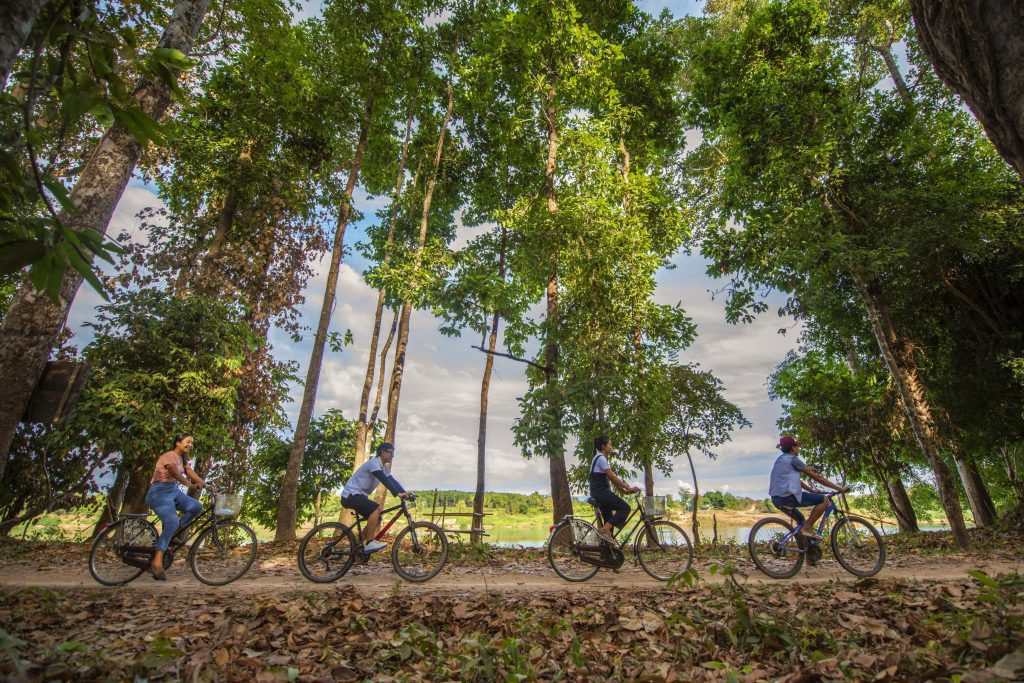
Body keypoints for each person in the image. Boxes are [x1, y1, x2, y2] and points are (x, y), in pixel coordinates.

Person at [145, 433, 205, 580]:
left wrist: (205, 484)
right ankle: (157, 562)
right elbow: (175, 473)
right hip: (159, 493)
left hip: (173, 491)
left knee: (196, 507)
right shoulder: (169, 456)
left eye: (191, 443)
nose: (190, 445)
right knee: (172, 521)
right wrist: (189, 485)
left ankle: (172, 534)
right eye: (187, 442)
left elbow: (190, 472)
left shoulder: (183, 459)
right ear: (178, 442)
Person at [768, 435, 849, 540]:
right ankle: (807, 528)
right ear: (793, 448)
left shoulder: (780, 460)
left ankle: (806, 551)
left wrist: (811, 490)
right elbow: (817, 477)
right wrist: (839, 489)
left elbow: (795, 481)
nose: (798, 449)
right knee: (824, 501)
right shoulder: (793, 460)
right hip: (787, 497)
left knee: (802, 521)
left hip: (776, 499)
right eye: (797, 447)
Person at [341, 442, 411, 554]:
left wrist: (405, 492)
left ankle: (357, 546)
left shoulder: (382, 467)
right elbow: (383, 479)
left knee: (377, 517)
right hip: (351, 495)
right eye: (391, 452)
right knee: (375, 509)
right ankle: (369, 542)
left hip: (358, 495)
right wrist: (397, 494)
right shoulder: (373, 463)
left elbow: (392, 480)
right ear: (383, 452)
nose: (393, 455)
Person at [590, 435, 641, 544]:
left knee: (609, 522)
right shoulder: (601, 458)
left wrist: (623, 490)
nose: (611, 447)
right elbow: (612, 476)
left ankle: (607, 555)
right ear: (604, 446)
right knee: (625, 508)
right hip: (601, 493)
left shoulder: (598, 458)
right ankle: (603, 530)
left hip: (600, 492)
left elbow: (611, 479)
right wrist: (628, 487)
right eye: (610, 444)